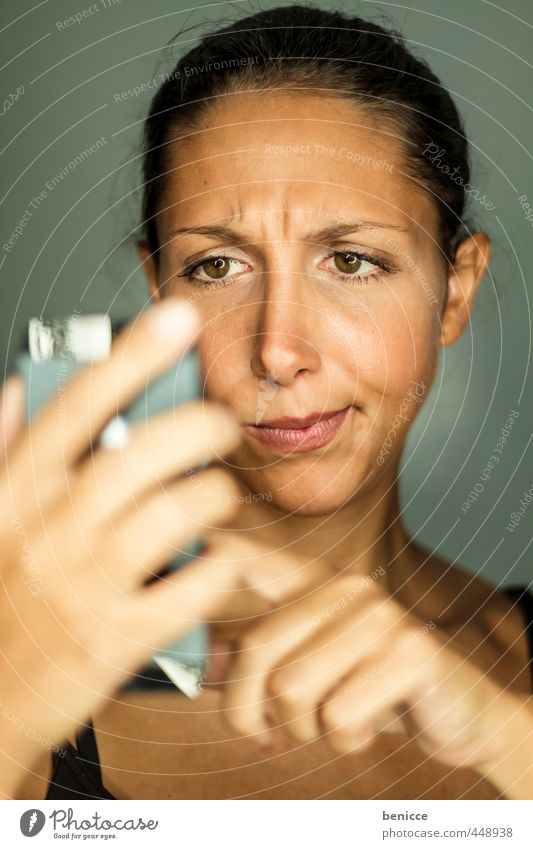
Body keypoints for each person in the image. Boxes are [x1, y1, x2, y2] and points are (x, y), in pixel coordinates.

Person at [3, 4, 533, 801]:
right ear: (157, 289)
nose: (278, 350)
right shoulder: (36, 656)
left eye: (350, 260)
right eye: (216, 267)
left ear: (453, 291)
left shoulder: (514, 662)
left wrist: (507, 741)